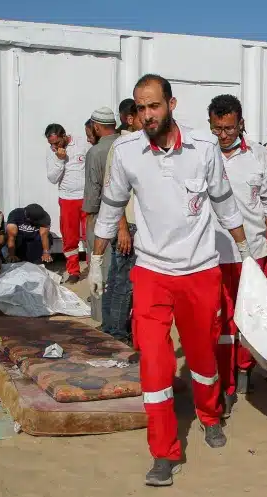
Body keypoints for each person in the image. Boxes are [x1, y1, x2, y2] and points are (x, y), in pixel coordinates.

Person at [89, 74, 249, 487]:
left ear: (171, 104)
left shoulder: (204, 147)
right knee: (155, 365)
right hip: (152, 273)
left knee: (202, 357)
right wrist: (96, 257)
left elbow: (223, 201)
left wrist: (244, 247)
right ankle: (163, 451)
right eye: (140, 108)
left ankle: (210, 415)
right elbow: (111, 205)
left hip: (200, 271)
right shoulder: (126, 152)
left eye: (154, 106)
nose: (147, 115)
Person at [207, 94, 267, 417]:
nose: (223, 135)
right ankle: (225, 385)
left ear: (241, 124)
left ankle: (244, 369)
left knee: (250, 317)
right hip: (211, 255)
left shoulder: (259, 157)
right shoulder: (202, 154)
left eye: (229, 128)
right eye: (217, 128)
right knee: (221, 322)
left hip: (253, 253)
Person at [101, 102, 143, 345]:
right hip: (128, 223)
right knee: (124, 283)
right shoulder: (125, 147)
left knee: (117, 279)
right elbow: (114, 191)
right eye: (142, 113)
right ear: (130, 118)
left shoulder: (129, 144)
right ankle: (117, 332)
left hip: (127, 223)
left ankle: (110, 326)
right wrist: (123, 227)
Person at [83, 107, 119, 310]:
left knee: (101, 268)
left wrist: (90, 218)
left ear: (96, 127)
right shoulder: (128, 144)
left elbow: (93, 192)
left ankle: (103, 315)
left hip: (103, 217)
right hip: (130, 218)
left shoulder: (95, 152)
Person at [45, 123, 88, 283]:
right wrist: (60, 160)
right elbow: (52, 178)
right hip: (67, 199)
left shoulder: (82, 143)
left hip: (86, 197)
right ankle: (73, 271)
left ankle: (94, 267)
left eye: (57, 143)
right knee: (70, 237)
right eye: (51, 144)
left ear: (64, 136)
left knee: (89, 235)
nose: (55, 147)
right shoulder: (52, 152)